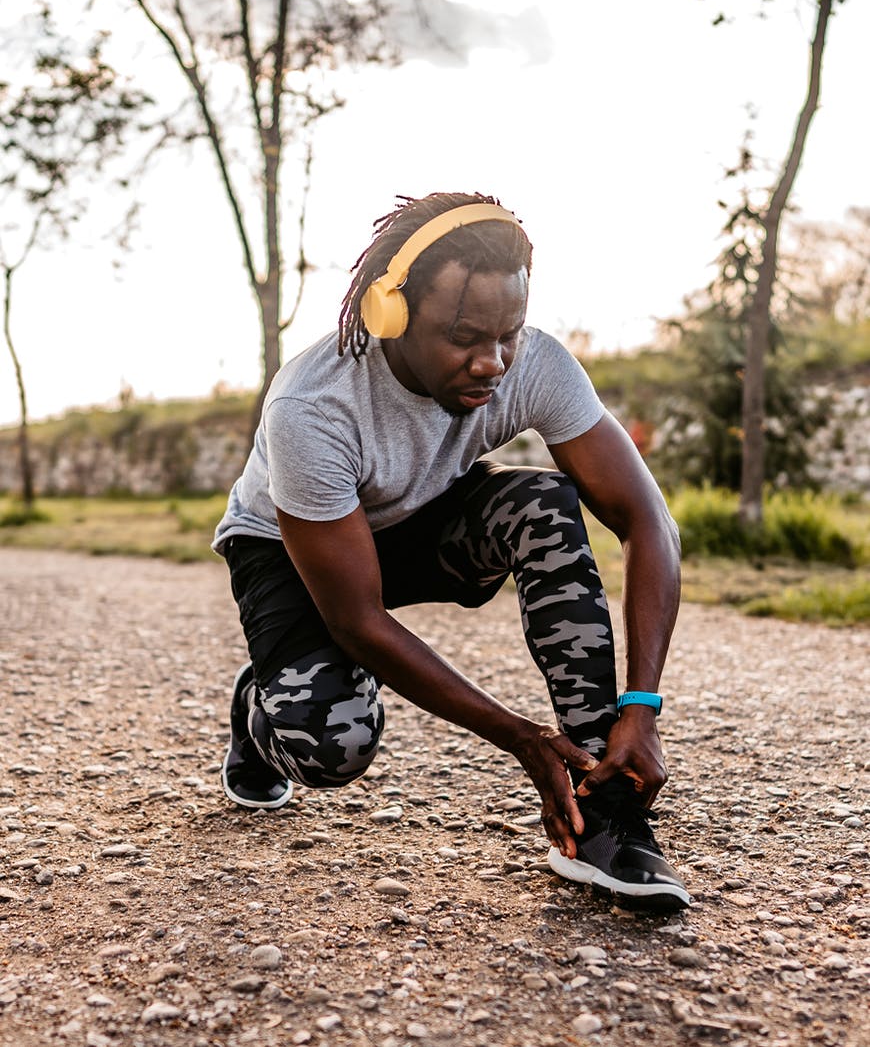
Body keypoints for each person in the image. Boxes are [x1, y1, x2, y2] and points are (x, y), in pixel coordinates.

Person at [212, 192, 689, 912]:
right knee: (333, 745)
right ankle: (260, 710)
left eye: (508, 334)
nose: (491, 362)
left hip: (419, 521)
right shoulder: (312, 408)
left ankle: (606, 808)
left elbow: (648, 521)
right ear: (390, 313)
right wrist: (521, 738)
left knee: (543, 504)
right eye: (463, 337)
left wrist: (641, 707)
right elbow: (358, 620)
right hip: (288, 549)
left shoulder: (534, 364)